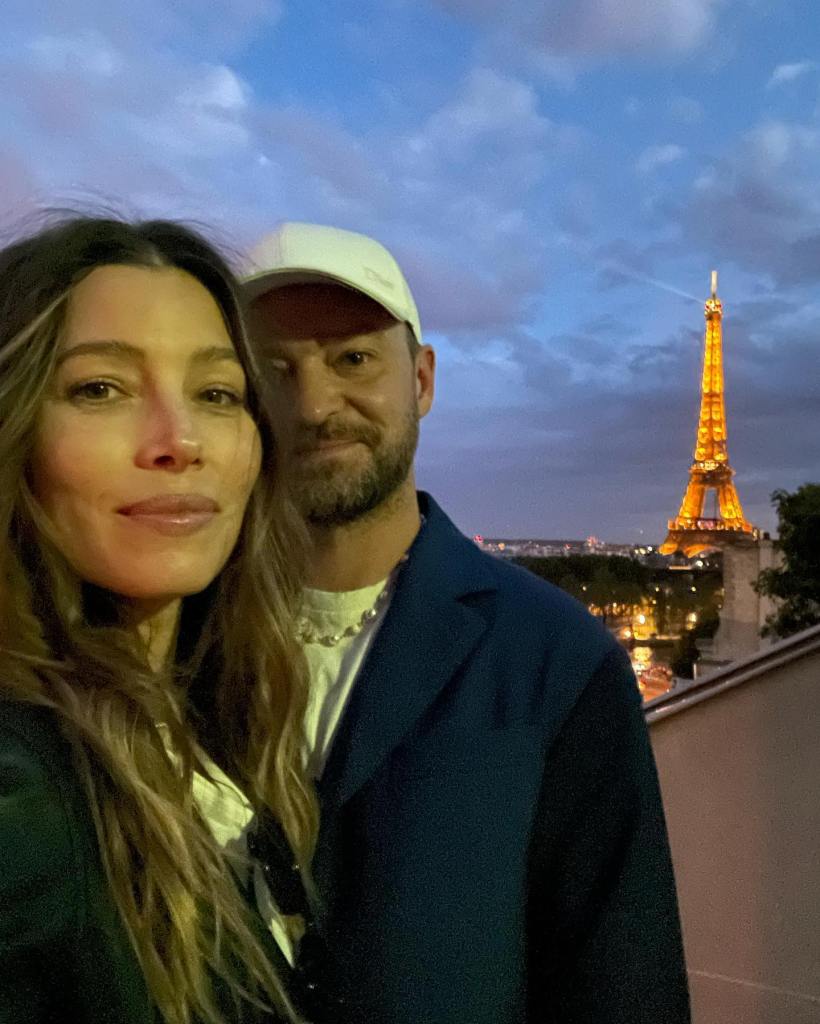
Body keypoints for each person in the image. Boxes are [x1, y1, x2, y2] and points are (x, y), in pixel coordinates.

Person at [243, 222, 692, 1023]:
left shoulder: (559, 662)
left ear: (422, 381)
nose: (314, 405)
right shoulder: (162, 642)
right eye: (276, 370)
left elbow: (620, 981)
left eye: (353, 358)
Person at [0, 215, 318, 1024]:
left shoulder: (212, 728)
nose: (180, 441)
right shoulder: (20, 797)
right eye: (100, 388)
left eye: (217, 394)